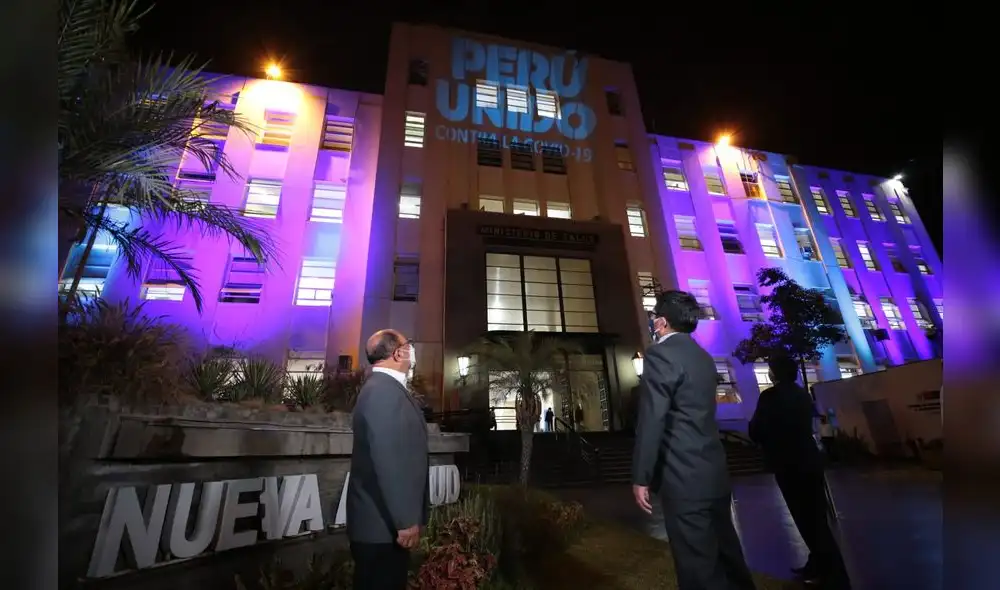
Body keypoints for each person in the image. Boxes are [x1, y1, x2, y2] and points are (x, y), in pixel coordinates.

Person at [632, 291, 756, 590]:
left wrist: (641, 475)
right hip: (713, 473)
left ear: (661, 322)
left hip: (683, 478)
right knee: (728, 557)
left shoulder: (660, 355)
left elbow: (652, 419)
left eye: (653, 318)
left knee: (698, 568)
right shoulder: (703, 356)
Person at [748, 355, 850, 589]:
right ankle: (817, 565)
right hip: (809, 460)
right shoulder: (802, 394)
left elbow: (756, 429)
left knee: (807, 520)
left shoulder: (770, 397)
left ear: (775, 373)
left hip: (788, 464)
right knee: (816, 517)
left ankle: (833, 573)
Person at [347, 329, 429, 590]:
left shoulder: (387, 388)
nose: (412, 350)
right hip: (380, 529)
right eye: (409, 345)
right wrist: (405, 520)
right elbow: (389, 460)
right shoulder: (382, 392)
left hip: (382, 528)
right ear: (398, 353)